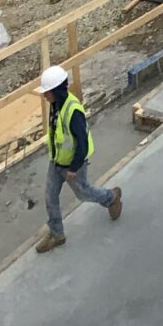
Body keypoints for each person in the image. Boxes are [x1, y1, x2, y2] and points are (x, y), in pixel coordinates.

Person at [35, 64, 121, 251]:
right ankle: (57, 233)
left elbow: (81, 143)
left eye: (47, 92)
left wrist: (73, 168)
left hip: (73, 164)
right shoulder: (55, 104)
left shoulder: (73, 111)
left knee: (83, 193)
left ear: (57, 91)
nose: (44, 96)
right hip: (57, 161)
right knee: (50, 196)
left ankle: (111, 197)